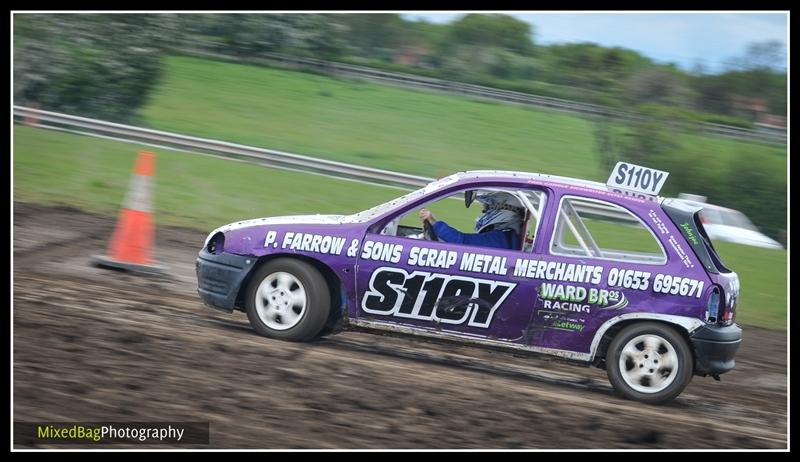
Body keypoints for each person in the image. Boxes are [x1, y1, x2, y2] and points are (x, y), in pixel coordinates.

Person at [419, 191, 526, 250]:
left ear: (501, 211)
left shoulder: (499, 238)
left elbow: (463, 241)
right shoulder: (507, 237)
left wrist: (434, 222)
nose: (483, 213)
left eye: (486, 209)